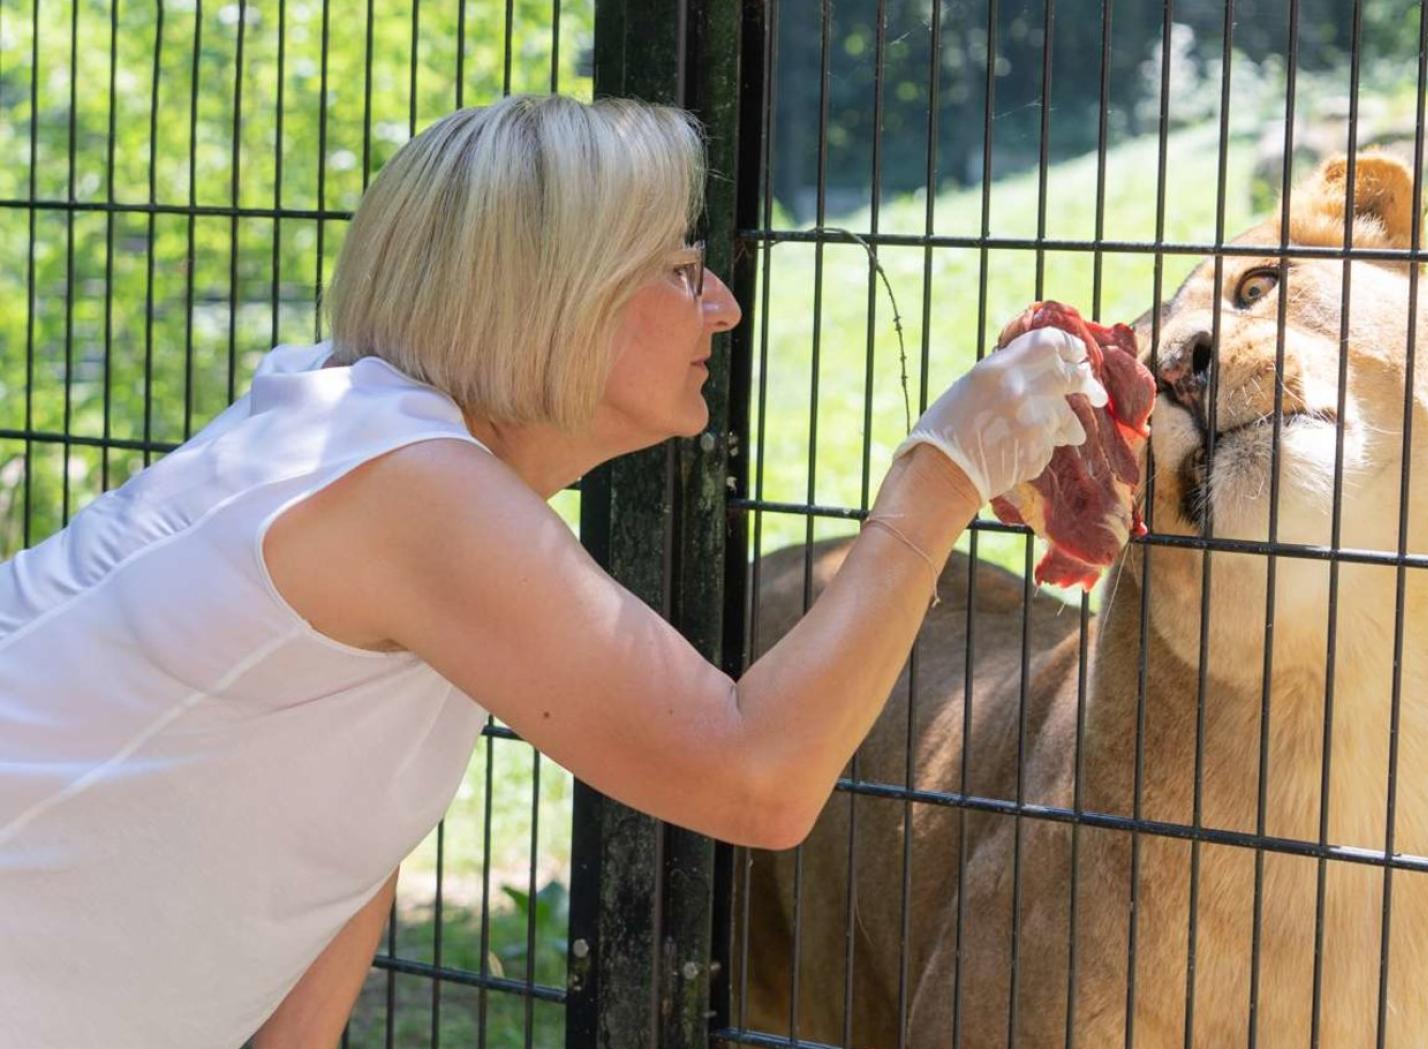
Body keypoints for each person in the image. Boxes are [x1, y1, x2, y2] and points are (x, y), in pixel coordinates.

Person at [0, 95, 1104, 1048]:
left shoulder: (359, 438)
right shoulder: (409, 488)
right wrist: (938, 474)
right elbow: (758, 778)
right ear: (556, 295)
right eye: (678, 267)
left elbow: (345, 842)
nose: (719, 301)